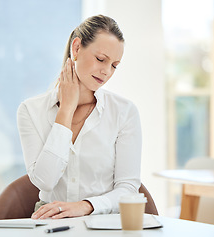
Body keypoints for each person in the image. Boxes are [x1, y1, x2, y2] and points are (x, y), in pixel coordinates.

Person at [17, 15, 142, 220]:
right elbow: (45, 181)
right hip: (50, 222)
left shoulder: (124, 112)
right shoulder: (30, 111)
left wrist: (86, 206)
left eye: (114, 65)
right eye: (101, 59)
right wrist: (66, 109)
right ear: (76, 48)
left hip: (103, 221)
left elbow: (128, 188)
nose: (106, 71)